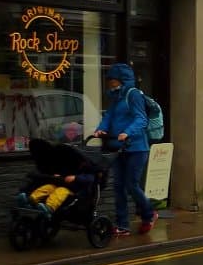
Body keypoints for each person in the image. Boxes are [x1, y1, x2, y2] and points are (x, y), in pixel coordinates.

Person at [92, 63, 159, 236]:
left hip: (136, 148)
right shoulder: (116, 97)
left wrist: (127, 132)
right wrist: (101, 129)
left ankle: (149, 214)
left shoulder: (133, 94)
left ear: (122, 80)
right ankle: (122, 226)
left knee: (131, 185)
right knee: (118, 186)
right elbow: (109, 116)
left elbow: (141, 119)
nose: (110, 84)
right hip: (118, 147)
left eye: (113, 80)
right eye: (109, 81)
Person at [21, 167, 95, 217]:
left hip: (75, 192)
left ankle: (49, 207)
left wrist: (76, 177)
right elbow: (65, 173)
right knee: (49, 187)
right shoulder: (73, 165)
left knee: (60, 191)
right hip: (62, 184)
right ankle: (31, 199)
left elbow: (91, 179)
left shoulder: (90, 169)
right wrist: (59, 175)